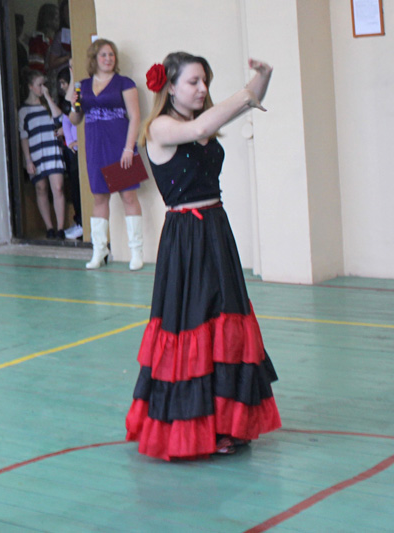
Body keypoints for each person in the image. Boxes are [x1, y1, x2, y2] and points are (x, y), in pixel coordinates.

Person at [124, 52, 281, 460]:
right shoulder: (161, 127)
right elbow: (203, 127)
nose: (202, 89)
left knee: (225, 320)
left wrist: (263, 77)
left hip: (215, 229)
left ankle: (227, 424)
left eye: (205, 81)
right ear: (170, 87)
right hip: (186, 237)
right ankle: (194, 428)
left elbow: (241, 104)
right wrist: (246, 94)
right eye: (193, 82)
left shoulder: (200, 120)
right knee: (194, 322)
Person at [66, 39, 144, 270]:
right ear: (94, 58)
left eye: (111, 54)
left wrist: (129, 148)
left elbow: (135, 117)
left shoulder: (124, 83)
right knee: (99, 197)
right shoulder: (82, 86)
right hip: (95, 146)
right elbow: (75, 119)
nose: (108, 58)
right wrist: (73, 105)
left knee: (128, 196)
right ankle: (99, 250)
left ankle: (136, 251)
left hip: (120, 145)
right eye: (103, 55)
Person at [18, 68, 66, 239]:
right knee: (41, 188)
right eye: (39, 85)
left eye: (44, 84)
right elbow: (23, 136)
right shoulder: (23, 111)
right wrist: (28, 160)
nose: (42, 88)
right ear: (30, 87)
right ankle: (49, 227)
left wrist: (47, 97)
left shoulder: (47, 105)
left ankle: (60, 228)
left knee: (58, 187)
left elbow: (60, 118)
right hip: (36, 153)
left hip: (52, 150)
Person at [56, 67, 82, 239]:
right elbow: (67, 121)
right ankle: (79, 221)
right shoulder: (67, 104)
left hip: (83, 148)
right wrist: (71, 141)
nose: (63, 87)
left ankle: (83, 223)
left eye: (65, 83)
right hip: (72, 149)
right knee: (75, 186)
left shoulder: (79, 95)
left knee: (83, 187)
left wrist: (73, 74)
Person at [27, 3, 60, 75]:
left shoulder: (53, 39)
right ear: (48, 19)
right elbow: (36, 68)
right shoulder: (38, 41)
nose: (59, 21)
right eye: (56, 18)